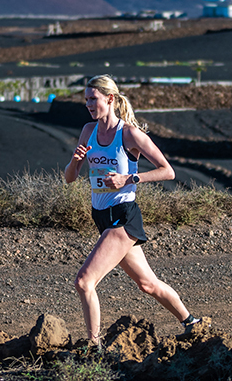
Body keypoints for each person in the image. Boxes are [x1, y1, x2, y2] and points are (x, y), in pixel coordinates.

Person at [64, 75, 199, 347]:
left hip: (123, 216)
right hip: (101, 217)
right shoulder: (88, 130)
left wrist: (129, 179)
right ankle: (192, 323)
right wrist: (75, 162)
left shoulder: (129, 134)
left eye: (94, 99)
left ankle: (94, 347)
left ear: (110, 99)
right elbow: (69, 178)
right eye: (86, 99)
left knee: (84, 281)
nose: (89, 104)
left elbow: (168, 171)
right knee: (148, 284)